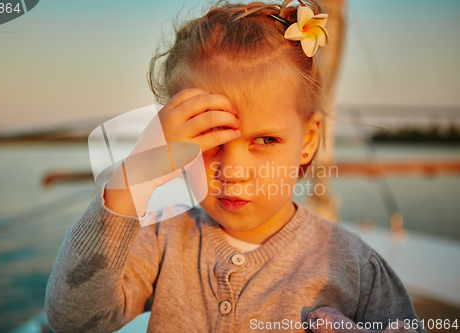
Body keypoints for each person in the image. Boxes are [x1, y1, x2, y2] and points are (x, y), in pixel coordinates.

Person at [44, 0, 426, 332]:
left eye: (265, 140)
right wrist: (134, 179)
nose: (233, 169)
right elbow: (73, 320)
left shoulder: (355, 267)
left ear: (309, 140)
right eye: (209, 140)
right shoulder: (162, 241)